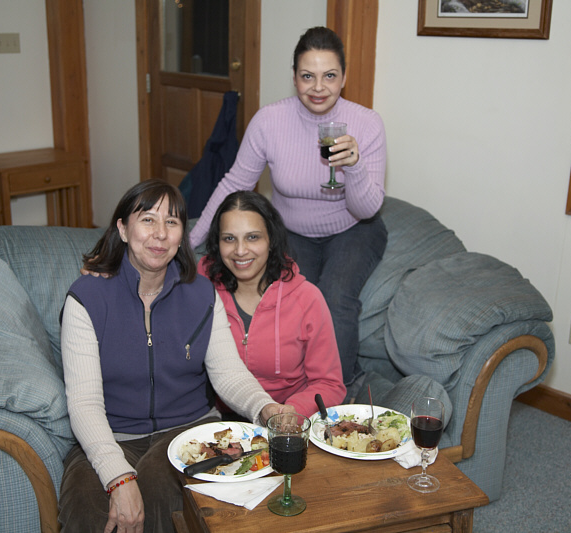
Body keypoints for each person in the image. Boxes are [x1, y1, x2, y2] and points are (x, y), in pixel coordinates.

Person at [58, 179, 292, 533]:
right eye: (148, 219)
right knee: (90, 513)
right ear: (122, 228)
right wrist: (118, 477)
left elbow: (228, 373)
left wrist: (265, 406)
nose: (160, 233)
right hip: (111, 434)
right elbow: (85, 402)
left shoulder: (200, 295)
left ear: (183, 234)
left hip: (190, 429)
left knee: (155, 497)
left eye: (172, 222)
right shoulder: (86, 299)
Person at [189, 26, 388, 402]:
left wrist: (354, 166)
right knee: (287, 297)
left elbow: (367, 207)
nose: (318, 87)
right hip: (292, 230)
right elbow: (236, 183)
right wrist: (192, 239)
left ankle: (337, 401)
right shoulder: (270, 121)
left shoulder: (367, 123)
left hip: (354, 227)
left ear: (344, 78)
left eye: (329, 76)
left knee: (334, 297)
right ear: (294, 77)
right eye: (307, 76)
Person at [198, 191, 346, 417]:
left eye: (252, 237)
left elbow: (329, 384)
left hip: (291, 421)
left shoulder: (307, 299)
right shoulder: (200, 291)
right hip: (221, 420)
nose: (240, 250)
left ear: (271, 240)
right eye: (229, 238)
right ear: (217, 244)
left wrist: (291, 411)